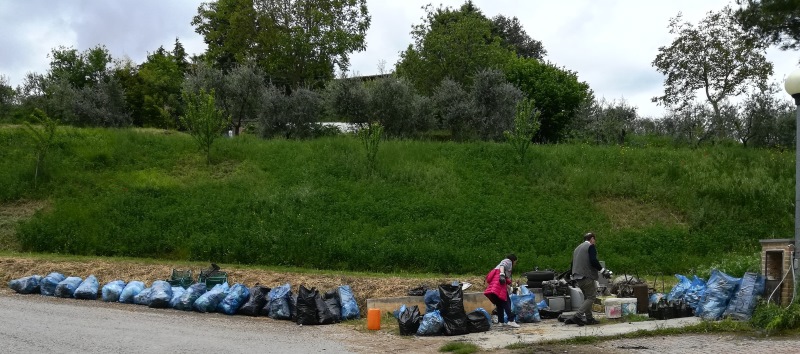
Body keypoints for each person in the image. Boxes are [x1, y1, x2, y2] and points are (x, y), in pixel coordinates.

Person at [568, 232, 604, 326]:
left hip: (577, 277)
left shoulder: (577, 249)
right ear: (592, 239)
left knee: (587, 298)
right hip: (586, 276)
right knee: (591, 297)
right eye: (594, 239)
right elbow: (593, 260)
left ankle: (589, 318)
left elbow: (572, 263)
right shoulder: (590, 247)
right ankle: (577, 316)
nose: (594, 241)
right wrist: (602, 270)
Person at [484, 253, 519, 328]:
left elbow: (503, 280)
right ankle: (511, 321)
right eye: (516, 262)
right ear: (513, 260)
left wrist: (509, 287)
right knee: (507, 303)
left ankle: (501, 322)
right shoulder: (508, 261)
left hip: (494, 287)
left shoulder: (497, 267)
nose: (515, 264)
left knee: (499, 304)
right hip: (499, 287)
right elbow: (503, 265)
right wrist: (502, 274)